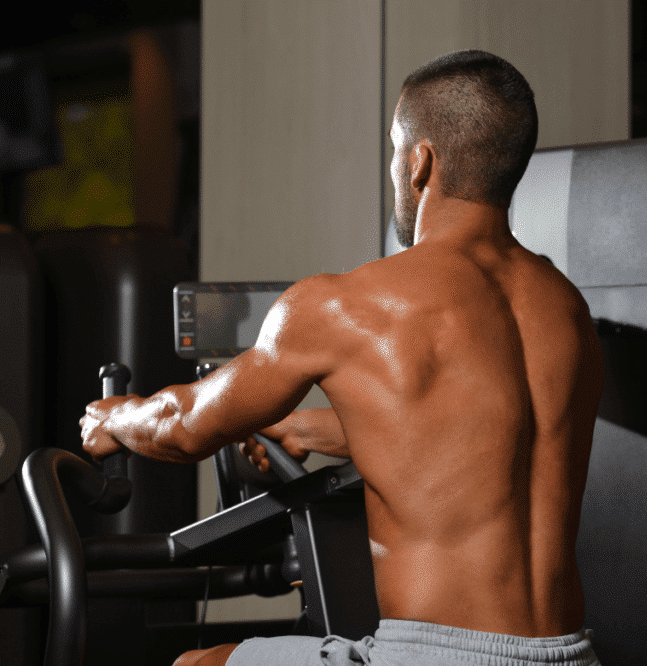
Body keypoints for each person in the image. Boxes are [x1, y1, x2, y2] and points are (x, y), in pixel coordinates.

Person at [80, 50, 604, 666]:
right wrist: (307, 428)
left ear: (420, 162)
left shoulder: (347, 304)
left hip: (435, 657)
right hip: (570, 655)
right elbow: (484, 436)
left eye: (393, 149)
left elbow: (182, 426)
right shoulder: (565, 309)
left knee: (194, 664)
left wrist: (116, 418)